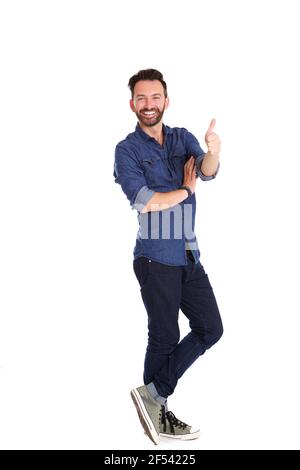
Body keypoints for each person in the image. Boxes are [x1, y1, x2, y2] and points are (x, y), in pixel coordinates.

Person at [113, 69, 223, 445]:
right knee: (163, 336)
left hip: (189, 253)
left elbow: (207, 172)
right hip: (155, 256)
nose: (148, 104)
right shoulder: (127, 150)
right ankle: (156, 412)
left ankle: (153, 397)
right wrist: (184, 189)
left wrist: (212, 151)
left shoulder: (181, 138)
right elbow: (146, 202)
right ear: (132, 104)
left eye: (154, 97)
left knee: (211, 328)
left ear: (165, 100)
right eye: (141, 98)